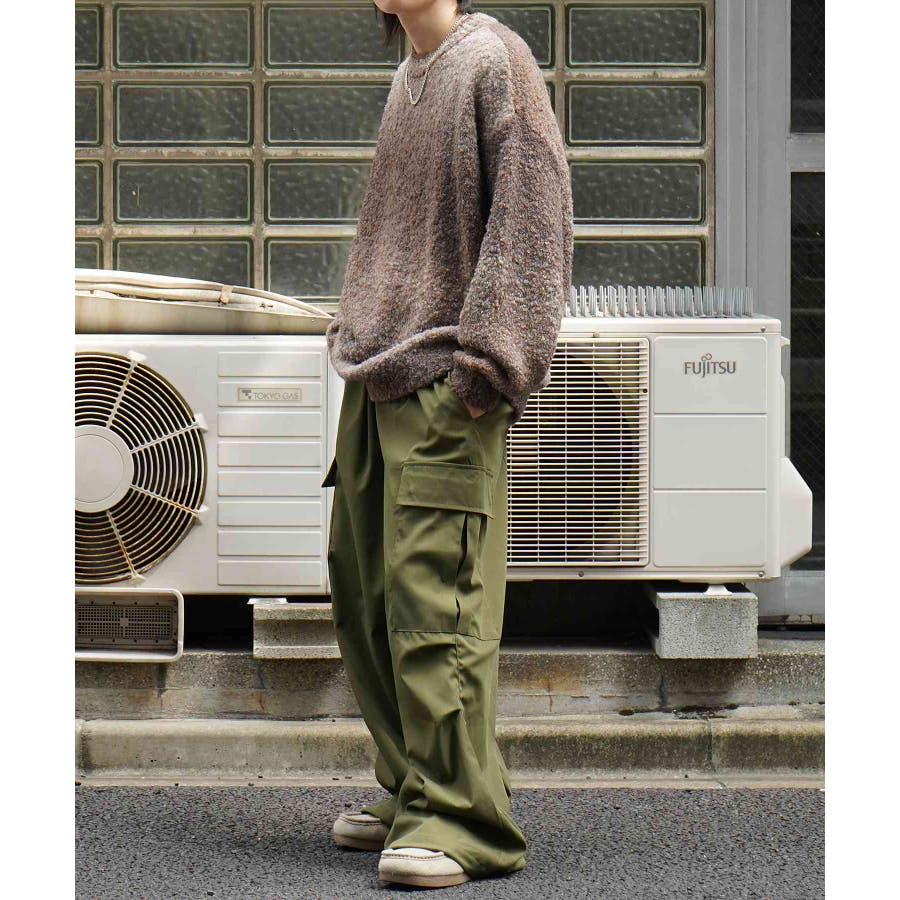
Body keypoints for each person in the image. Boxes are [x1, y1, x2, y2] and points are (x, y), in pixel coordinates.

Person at [321, 0, 573, 889]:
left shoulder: (493, 61)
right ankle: (414, 788)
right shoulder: (410, 75)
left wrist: (489, 369)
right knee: (368, 599)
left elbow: (535, 222)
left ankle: (462, 820)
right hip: (376, 376)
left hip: (442, 383)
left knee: (439, 607)